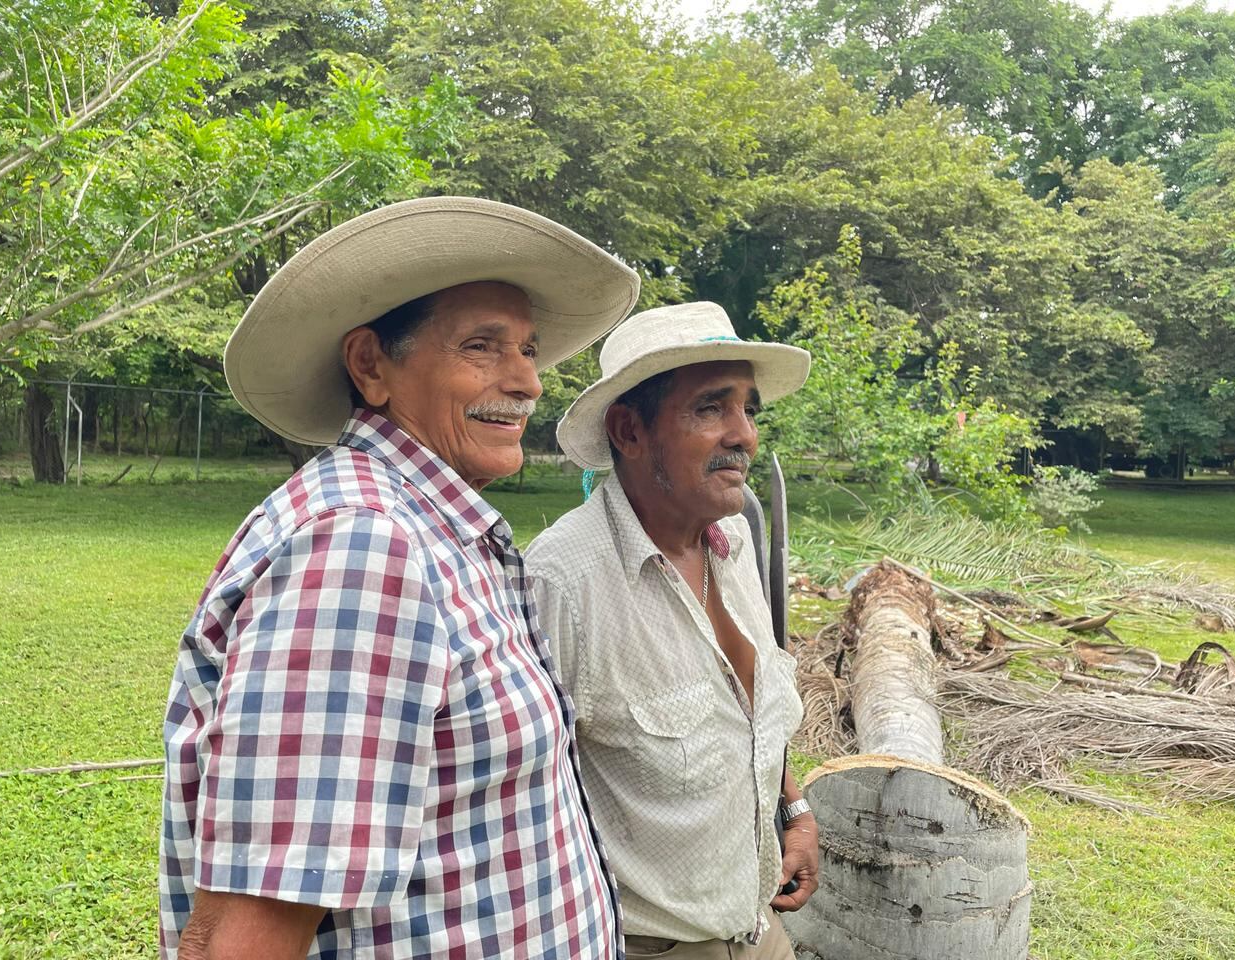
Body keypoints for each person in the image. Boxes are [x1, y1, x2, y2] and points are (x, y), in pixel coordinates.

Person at [159, 196, 640, 960]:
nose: (528, 382)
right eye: (484, 347)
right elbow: (243, 934)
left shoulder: (428, 526)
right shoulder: (361, 547)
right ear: (371, 366)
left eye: (528, 349)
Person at [525, 302, 818, 960]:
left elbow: (743, 716)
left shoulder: (734, 542)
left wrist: (792, 811)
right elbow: (517, 801)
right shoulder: (563, 585)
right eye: (711, 408)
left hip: (759, 927)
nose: (743, 433)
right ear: (630, 430)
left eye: (748, 408)